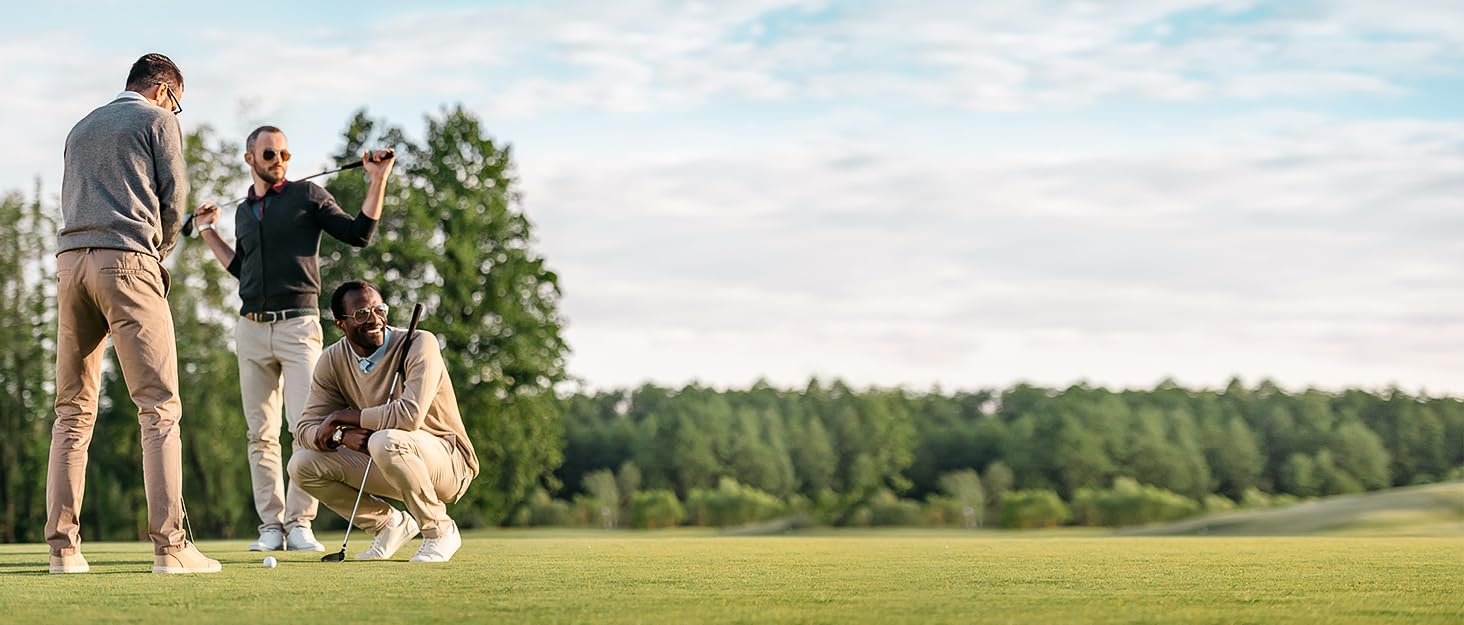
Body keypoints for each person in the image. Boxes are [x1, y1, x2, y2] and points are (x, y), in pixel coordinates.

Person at [48, 53, 220, 574]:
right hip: (127, 264)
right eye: (179, 104)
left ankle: (63, 550)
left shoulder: (81, 127)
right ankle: (171, 548)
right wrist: (160, 249)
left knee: (72, 412)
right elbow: (174, 199)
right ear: (165, 91)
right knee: (159, 408)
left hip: (70, 267)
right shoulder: (158, 119)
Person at [192, 128, 395, 552]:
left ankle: (300, 522)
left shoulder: (307, 197)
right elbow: (241, 270)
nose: (279, 158)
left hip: (298, 326)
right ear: (250, 158)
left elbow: (359, 234)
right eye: (270, 153)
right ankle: (271, 526)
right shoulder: (245, 212)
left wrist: (377, 180)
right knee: (259, 434)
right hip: (250, 329)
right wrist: (209, 230)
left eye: (284, 152)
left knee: (304, 427)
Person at [290, 280, 478, 563]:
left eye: (379, 309)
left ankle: (440, 530)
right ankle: (388, 524)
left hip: (448, 461)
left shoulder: (419, 342)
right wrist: (340, 437)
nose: (374, 319)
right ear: (341, 324)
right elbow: (304, 429)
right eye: (361, 314)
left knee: (384, 439)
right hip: (387, 456)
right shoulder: (331, 360)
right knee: (301, 465)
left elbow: (409, 416)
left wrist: (343, 418)